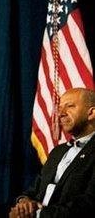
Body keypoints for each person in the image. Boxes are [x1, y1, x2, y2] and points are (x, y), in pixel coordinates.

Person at [9, 87, 95, 217]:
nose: (61, 113)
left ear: (91, 113)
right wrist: (24, 202)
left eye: (70, 106)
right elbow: (34, 190)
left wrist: (37, 214)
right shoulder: (57, 152)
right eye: (60, 108)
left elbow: (88, 204)